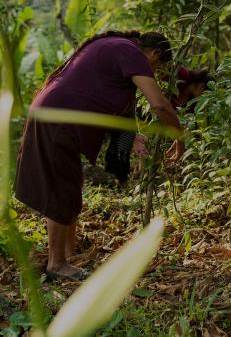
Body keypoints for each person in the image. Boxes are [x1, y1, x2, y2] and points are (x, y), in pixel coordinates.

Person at [14, 30, 184, 280]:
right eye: (157, 67)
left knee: (71, 184)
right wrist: (180, 137)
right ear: (155, 53)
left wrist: (131, 135)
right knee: (61, 188)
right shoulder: (132, 52)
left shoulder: (115, 47)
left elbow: (95, 94)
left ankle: (69, 257)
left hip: (54, 112)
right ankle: (56, 264)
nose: (154, 73)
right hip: (58, 117)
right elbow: (159, 104)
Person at [104, 66, 213, 183]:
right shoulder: (182, 75)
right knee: (140, 143)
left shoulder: (192, 104)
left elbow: (182, 122)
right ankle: (135, 176)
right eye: (205, 94)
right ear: (201, 87)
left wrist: (178, 139)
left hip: (160, 122)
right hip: (147, 109)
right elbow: (158, 72)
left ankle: (144, 177)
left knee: (149, 150)